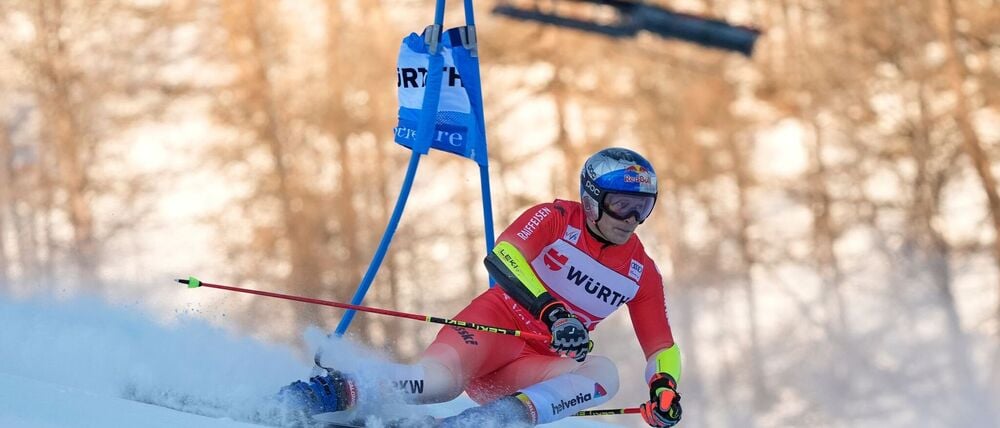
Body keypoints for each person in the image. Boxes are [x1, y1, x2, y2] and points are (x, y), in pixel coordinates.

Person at [281, 147, 683, 427]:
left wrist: (664, 387)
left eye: (642, 207)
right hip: (492, 327)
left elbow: (662, 347)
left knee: (604, 375)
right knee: (439, 383)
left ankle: (487, 422)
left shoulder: (640, 272)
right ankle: (328, 391)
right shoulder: (556, 218)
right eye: (621, 204)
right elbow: (504, 255)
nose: (631, 218)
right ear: (592, 198)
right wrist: (554, 313)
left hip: (528, 369)